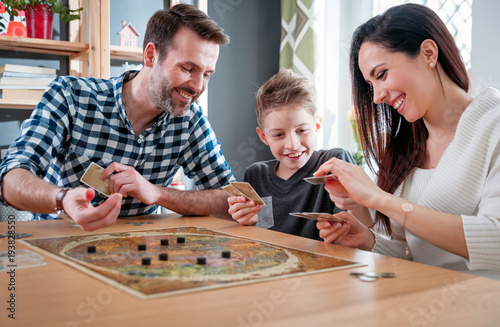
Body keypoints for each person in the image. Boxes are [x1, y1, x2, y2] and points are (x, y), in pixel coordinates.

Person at [0, 4, 234, 230]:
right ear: (151, 55)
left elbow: (230, 199)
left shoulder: (190, 120)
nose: (197, 86)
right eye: (187, 69)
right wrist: (63, 198)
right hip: (60, 244)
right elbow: (10, 180)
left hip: (141, 256)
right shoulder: (71, 95)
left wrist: (157, 193)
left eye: (207, 74)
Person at [314, 4, 500, 279]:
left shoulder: (492, 124)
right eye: (370, 85)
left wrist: (379, 199)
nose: (376, 96)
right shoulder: (406, 146)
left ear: (428, 53)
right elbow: (408, 254)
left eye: (381, 74)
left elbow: (495, 240)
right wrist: (368, 240)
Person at [227, 69, 369, 240]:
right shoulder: (256, 175)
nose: (293, 144)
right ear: (264, 136)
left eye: (301, 130)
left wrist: (355, 210)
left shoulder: (335, 163)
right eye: (279, 135)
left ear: (316, 125)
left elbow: (360, 232)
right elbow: (257, 236)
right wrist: (247, 222)